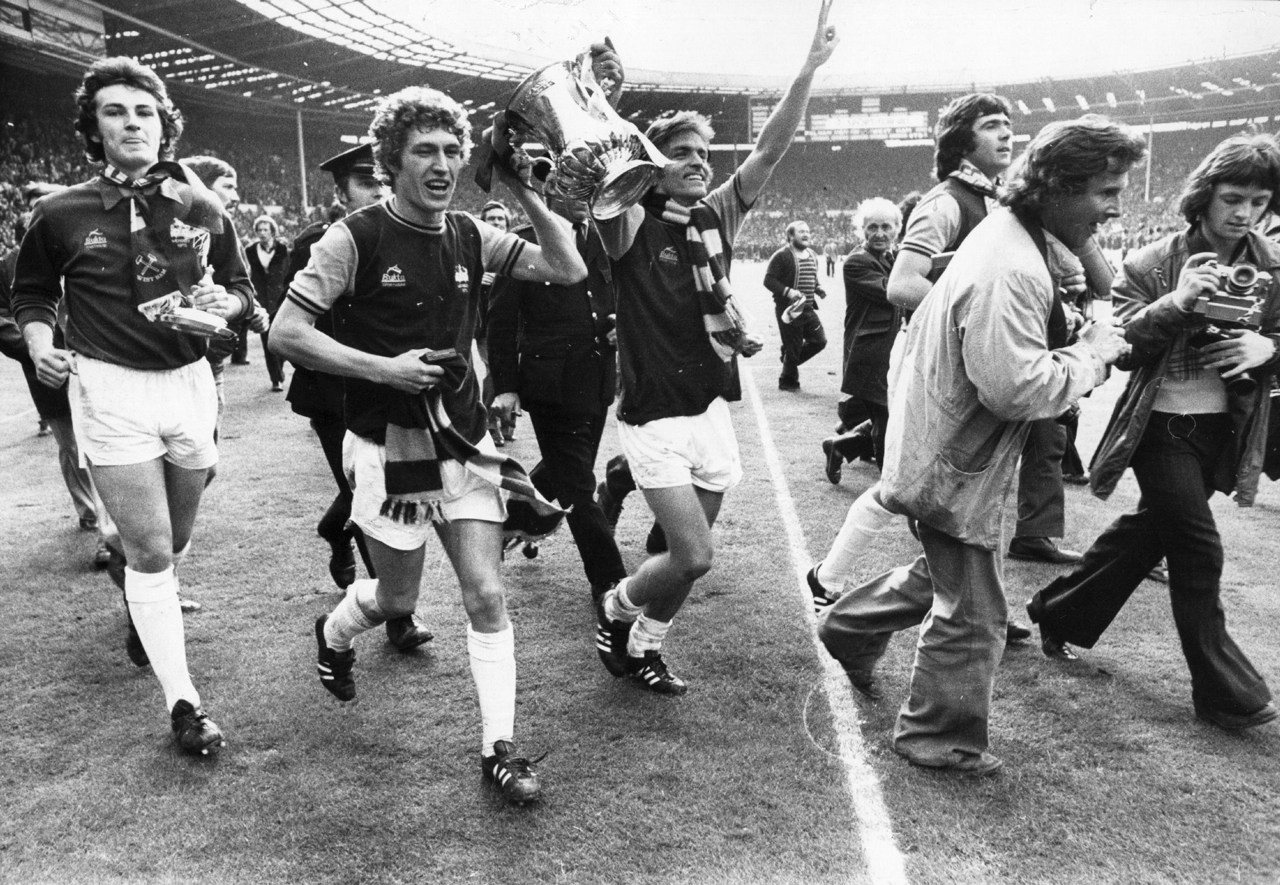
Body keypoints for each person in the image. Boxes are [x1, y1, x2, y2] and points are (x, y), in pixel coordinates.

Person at [270, 85, 586, 804]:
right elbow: (285, 334)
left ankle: (498, 748)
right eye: (425, 151)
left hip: (464, 440)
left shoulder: (472, 233)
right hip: (387, 446)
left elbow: (566, 267)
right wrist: (385, 369)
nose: (443, 164)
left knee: (484, 591)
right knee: (394, 594)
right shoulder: (352, 237)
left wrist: (523, 188)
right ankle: (336, 631)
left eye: (453, 150)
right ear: (392, 161)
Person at [815, 115, 1141, 775]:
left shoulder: (1019, 234)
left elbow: (1082, 295)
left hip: (955, 451)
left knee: (945, 573)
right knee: (975, 614)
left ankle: (847, 626)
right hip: (955, 458)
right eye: (1105, 191)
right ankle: (937, 737)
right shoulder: (1012, 264)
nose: (1115, 205)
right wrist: (1090, 355)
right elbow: (1016, 390)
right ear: (1058, 185)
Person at [591, 0, 838, 695]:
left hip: (707, 407)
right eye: (682, 154)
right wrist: (607, 105)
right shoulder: (630, 219)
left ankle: (646, 645)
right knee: (695, 554)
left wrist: (808, 70)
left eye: (704, 154)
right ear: (651, 164)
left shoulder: (716, 215)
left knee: (679, 554)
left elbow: (771, 148)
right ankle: (616, 608)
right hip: (651, 411)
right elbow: (610, 178)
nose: (699, 163)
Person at [13, 56, 256, 756]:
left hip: (189, 383)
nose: (132, 123)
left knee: (172, 542)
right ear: (94, 128)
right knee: (152, 550)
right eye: (115, 111)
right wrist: (38, 342)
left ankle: (142, 598)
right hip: (109, 387)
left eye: (144, 111)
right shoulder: (59, 212)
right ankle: (186, 704)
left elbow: (241, 289)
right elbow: (30, 291)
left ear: (165, 123)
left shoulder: (202, 203)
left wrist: (229, 301)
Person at [1027, 132, 1280, 732]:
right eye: (1233, 198)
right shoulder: (1151, 262)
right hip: (1159, 426)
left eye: (1259, 201)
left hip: (1227, 431)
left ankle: (1058, 613)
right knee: (1197, 547)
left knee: (1151, 534)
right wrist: (1180, 300)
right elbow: (1124, 349)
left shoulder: (1273, 266)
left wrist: (1268, 346)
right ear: (1205, 196)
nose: (1244, 213)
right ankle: (1225, 692)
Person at [281, 142, 432, 652]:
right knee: (370, 490)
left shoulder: (403, 236)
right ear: (340, 192)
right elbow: (291, 321)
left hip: (396, 394)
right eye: (365, 181)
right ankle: (398, 617)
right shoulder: (315, 243)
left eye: (381, 180)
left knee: (373, 490)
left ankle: (336, 530)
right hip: (333, 394)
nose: (377, 190)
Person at [0, 189, 114, 569]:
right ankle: (89, 513)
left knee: (103, 446)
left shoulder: (93, 247)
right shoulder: (8, 265)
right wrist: (37, 349)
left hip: (100, 363)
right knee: (70, 445)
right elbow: (3, 319)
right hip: (47, 372)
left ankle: (107, 528)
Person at [822, 197, 901, 481]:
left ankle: (840, 446)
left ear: (896, 229)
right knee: (887, 416)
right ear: (862, 231)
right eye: (872, 227)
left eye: (886, 227)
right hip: (871, 354)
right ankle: (888, 483)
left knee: (894, 412)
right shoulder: (857, 262)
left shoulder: (893, 257)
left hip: (894, 350)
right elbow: (894, 291)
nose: (879, 233)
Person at [766, 219, 827, 391]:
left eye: (808, 231)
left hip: (807, 308)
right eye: (801, 232)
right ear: (790, 236)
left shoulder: (813, 255)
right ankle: (787, 380)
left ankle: (788, 358)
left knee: (820, 341)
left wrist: (818, 288)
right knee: (793, 347)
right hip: (789, 309)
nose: (806, 234)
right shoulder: (781, 256)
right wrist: (788, 291)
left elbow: (812, 277)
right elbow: (768, 280)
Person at [245, 214, 290, 391]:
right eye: (259, 230)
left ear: (272, 231)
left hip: (280, 300)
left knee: (281, 340)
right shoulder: (250, 251)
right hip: (261, 301)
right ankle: (276, 378)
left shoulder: (283, 250)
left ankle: (279, 367)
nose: (262, 233)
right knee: (267, 341)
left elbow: (288, 274)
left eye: (266, 230)